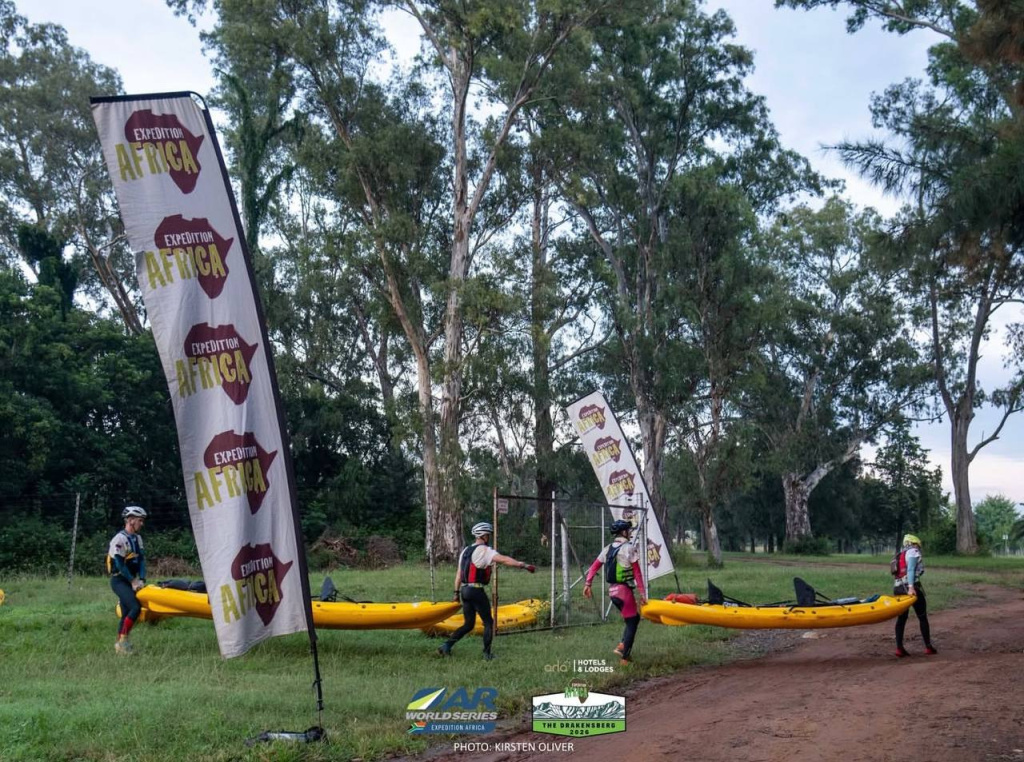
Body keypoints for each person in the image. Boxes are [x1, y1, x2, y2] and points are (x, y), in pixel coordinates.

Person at [437, 522, 536, 660]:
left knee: (468, 624)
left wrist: (456, 593)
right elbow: (504, 560)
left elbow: (459, 574)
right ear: (484, 536)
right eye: (488, 535)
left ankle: (446, 646)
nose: (489, 537)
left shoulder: (465, 551)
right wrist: (523, 565)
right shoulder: (484, 551)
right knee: (489, 623)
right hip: (476, 591)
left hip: (465, 591)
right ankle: (487, 654)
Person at [584, 518, 647, 665]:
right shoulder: (629, 548)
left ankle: (622, 646)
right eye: (629, 530)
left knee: (632, 619)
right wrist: (643, 594)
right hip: (624, 591)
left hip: (612, 591)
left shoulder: (607, 549)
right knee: (632, 622)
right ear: (623, 532)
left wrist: (588, 584)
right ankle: (624, 657)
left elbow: (594, 567)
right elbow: (637, 573)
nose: (630, 532)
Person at [108, 505, 147, 654]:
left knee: (126, 614)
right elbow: (119, 563)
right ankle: (123, 640)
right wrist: (132, 581)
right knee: (135, 608)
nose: (142, 524)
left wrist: (142, 578)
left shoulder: (138, 538)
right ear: (130, 520)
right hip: (119, 580)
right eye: (140, 520)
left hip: (133, 580)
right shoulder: (119, 539)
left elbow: (142, 560)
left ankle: (120, 644)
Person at [892, 533, 937, 657]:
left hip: (898, 588)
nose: (918, 547)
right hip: (910, 587)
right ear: (913, 544)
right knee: (922, 617)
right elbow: (911, 569)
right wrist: (911, 587)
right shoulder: (913, 552)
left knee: (902, 618)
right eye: (917, 545)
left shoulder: (900, 554)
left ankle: (899, 648)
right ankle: (928, 647)